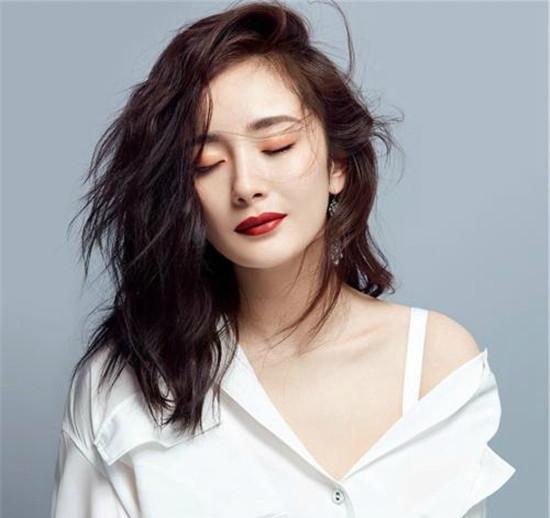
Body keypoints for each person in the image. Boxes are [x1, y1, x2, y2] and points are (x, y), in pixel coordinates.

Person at [50, 1, 515, 516]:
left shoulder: (435, 362)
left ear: (338, 166)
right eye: (207, 163)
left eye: (276, 146)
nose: (246, 185)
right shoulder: (119, 387)